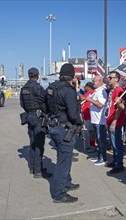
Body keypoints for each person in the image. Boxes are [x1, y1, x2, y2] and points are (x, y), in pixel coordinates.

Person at [39, 63, 82, 203]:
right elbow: (73, 113)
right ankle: (59, 194)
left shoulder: (52, 87)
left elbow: (41, 99)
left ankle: (66, 183)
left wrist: (49, 113)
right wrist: (79, 123)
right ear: (73, 76)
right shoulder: (69, 91)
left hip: (54, 127)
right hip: (64, 129)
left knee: (64, 158)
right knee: (63, 162)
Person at [20, 67, 52, 178]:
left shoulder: (24, 88)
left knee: (32, 143)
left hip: (29, 116)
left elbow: (22, 104)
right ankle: (38, 170)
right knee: (39, 144)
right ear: (37, 76)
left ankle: (32, 167)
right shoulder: (37, 87)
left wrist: (30, 111)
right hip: (38, 117)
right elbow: (44, 101)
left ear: (29, 75)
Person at [105, 71, 126, 174]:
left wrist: (114, 121)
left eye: (110, 77)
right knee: (113, 143)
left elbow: (119, 108)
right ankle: (115, 160)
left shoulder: (119, 90)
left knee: (117, 143)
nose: (108, 79)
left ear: (116, 79)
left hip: (116, 122)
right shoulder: (112, 90)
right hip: (110, 119)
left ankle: (119, 164)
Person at [85, 75, 108, 166]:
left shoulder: (102, 91)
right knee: (98, 140)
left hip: (100, 120)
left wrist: (90, 100)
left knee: (101, 139)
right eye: (93, 81)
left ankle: (103, 158)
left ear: (100, 81)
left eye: (95, 81)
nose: (93, 83)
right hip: (94, 120)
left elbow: (101, 104)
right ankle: (99, 156)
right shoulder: (96, 91)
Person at [80, 82, 96, 153]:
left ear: (88, 87)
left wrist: (79, 92)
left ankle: (93, 146)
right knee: (90, 131)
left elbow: (83, 98)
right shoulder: (89, 92)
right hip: (86, 115)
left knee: (92, 132)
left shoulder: (91, 92)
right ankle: (91, 144)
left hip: (89, 115)